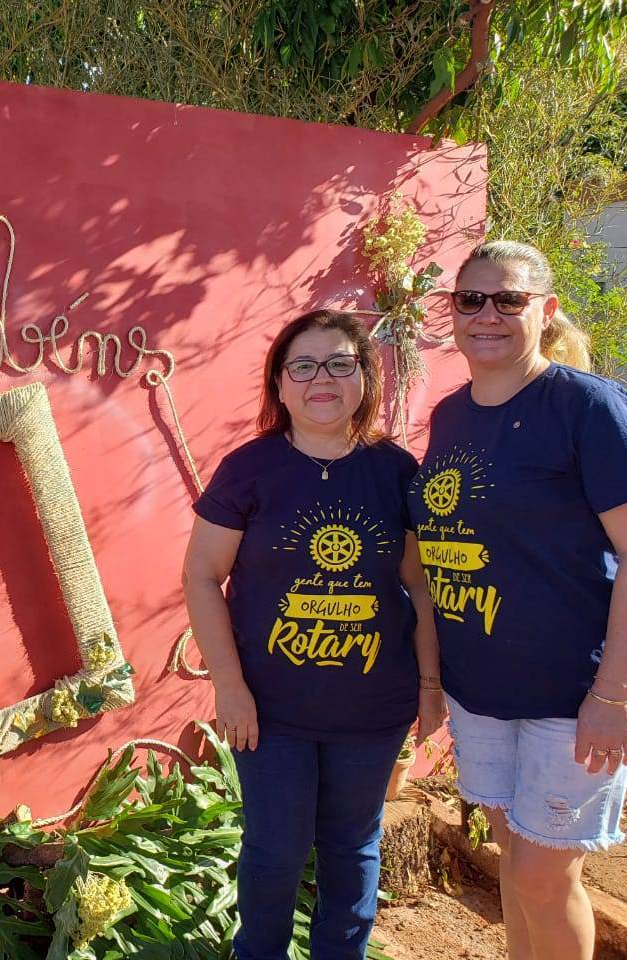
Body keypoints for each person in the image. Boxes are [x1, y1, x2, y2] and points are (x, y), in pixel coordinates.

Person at [409, 239, 627, 960]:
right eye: (471, 299)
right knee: (516, 866)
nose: (487, 314)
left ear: (546, 310)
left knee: (542, 877)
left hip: (575, 692)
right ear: (453, 312)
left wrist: (612, 693)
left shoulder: (589, 408)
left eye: (509, 300)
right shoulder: (452, 416)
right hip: (482, 688)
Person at [182, 309, 444, 960]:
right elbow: (202, 576)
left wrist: (430, 686)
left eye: (339, 363)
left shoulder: (396, 471)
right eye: (302, 365)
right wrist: (230, 689)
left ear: (365, 377)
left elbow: (420, 587)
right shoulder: (248, 470)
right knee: (274, 851)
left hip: (374, 708)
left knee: (352, 848)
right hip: (269, 712)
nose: (320, 379)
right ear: (279, 383)